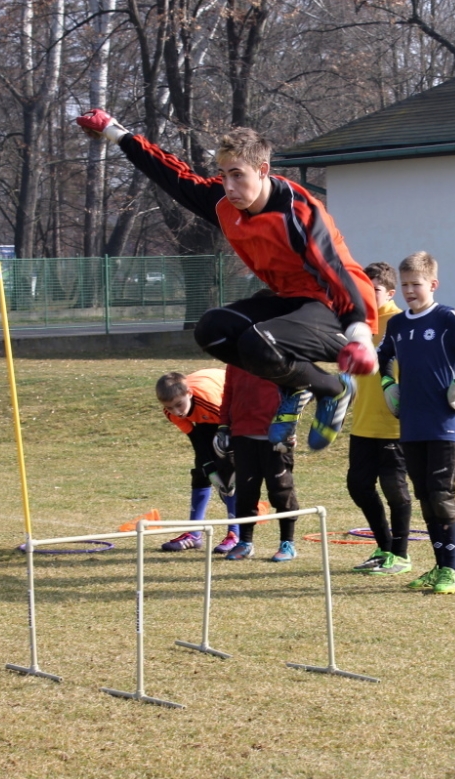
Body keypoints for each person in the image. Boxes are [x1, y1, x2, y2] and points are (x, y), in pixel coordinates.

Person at [76, 110, 378, 452]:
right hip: (290, 299)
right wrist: (116, 133)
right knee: (212, 330)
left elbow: (335, 271)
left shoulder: (299, 212)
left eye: (238, 175)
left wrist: (359, 332)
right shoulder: (224, 203)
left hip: (338, 306)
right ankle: (304, 385)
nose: (230, 187)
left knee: (258, 342)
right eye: (223, 176)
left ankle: (333, 388)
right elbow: (172, 176)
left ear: (263, 171)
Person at [377, 252, 455, 594]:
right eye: (404, 285)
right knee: (425, 495)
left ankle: (452, 571)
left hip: (443, 421)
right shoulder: (397, 324)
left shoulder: (446, 318)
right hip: (410, 422)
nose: (410, 291)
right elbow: (383, 357)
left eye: (416, 284)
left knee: (441, 494)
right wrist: (388, 385)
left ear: (433, 284)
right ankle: (439, 566)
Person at [346, 263, 413, 575]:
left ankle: (400, 554)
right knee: (358, 486)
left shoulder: (402, 323)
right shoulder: (357, 325)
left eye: (373, 290)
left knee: (395, 489)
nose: (367, 297)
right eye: (363, 290)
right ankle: (384, 546)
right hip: (362, 423)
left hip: (394, 423)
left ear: (389, 292)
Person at [219, 364, 304, 562]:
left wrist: (290, 427)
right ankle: (245, 543)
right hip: (242, 435)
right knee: (246, 491)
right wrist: (223, 426)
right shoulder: (234, 358)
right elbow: (228, 393)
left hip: (275, 437)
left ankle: (287, 543)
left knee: (281, 490)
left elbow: (298, 393)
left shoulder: (280, 355)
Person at [155, 370, 240, 553]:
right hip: (204, 415)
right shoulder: (171, 412)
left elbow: (236, 429)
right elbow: (196, 440)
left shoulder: (209, 402)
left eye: (179, 405)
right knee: (201, 471)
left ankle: (235, 533)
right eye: (170, 408)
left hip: (230, 407)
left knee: (229, 474)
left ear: (189, 394)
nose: (176, 412)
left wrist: (227, 470)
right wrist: (208, 468)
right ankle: (194, 534)